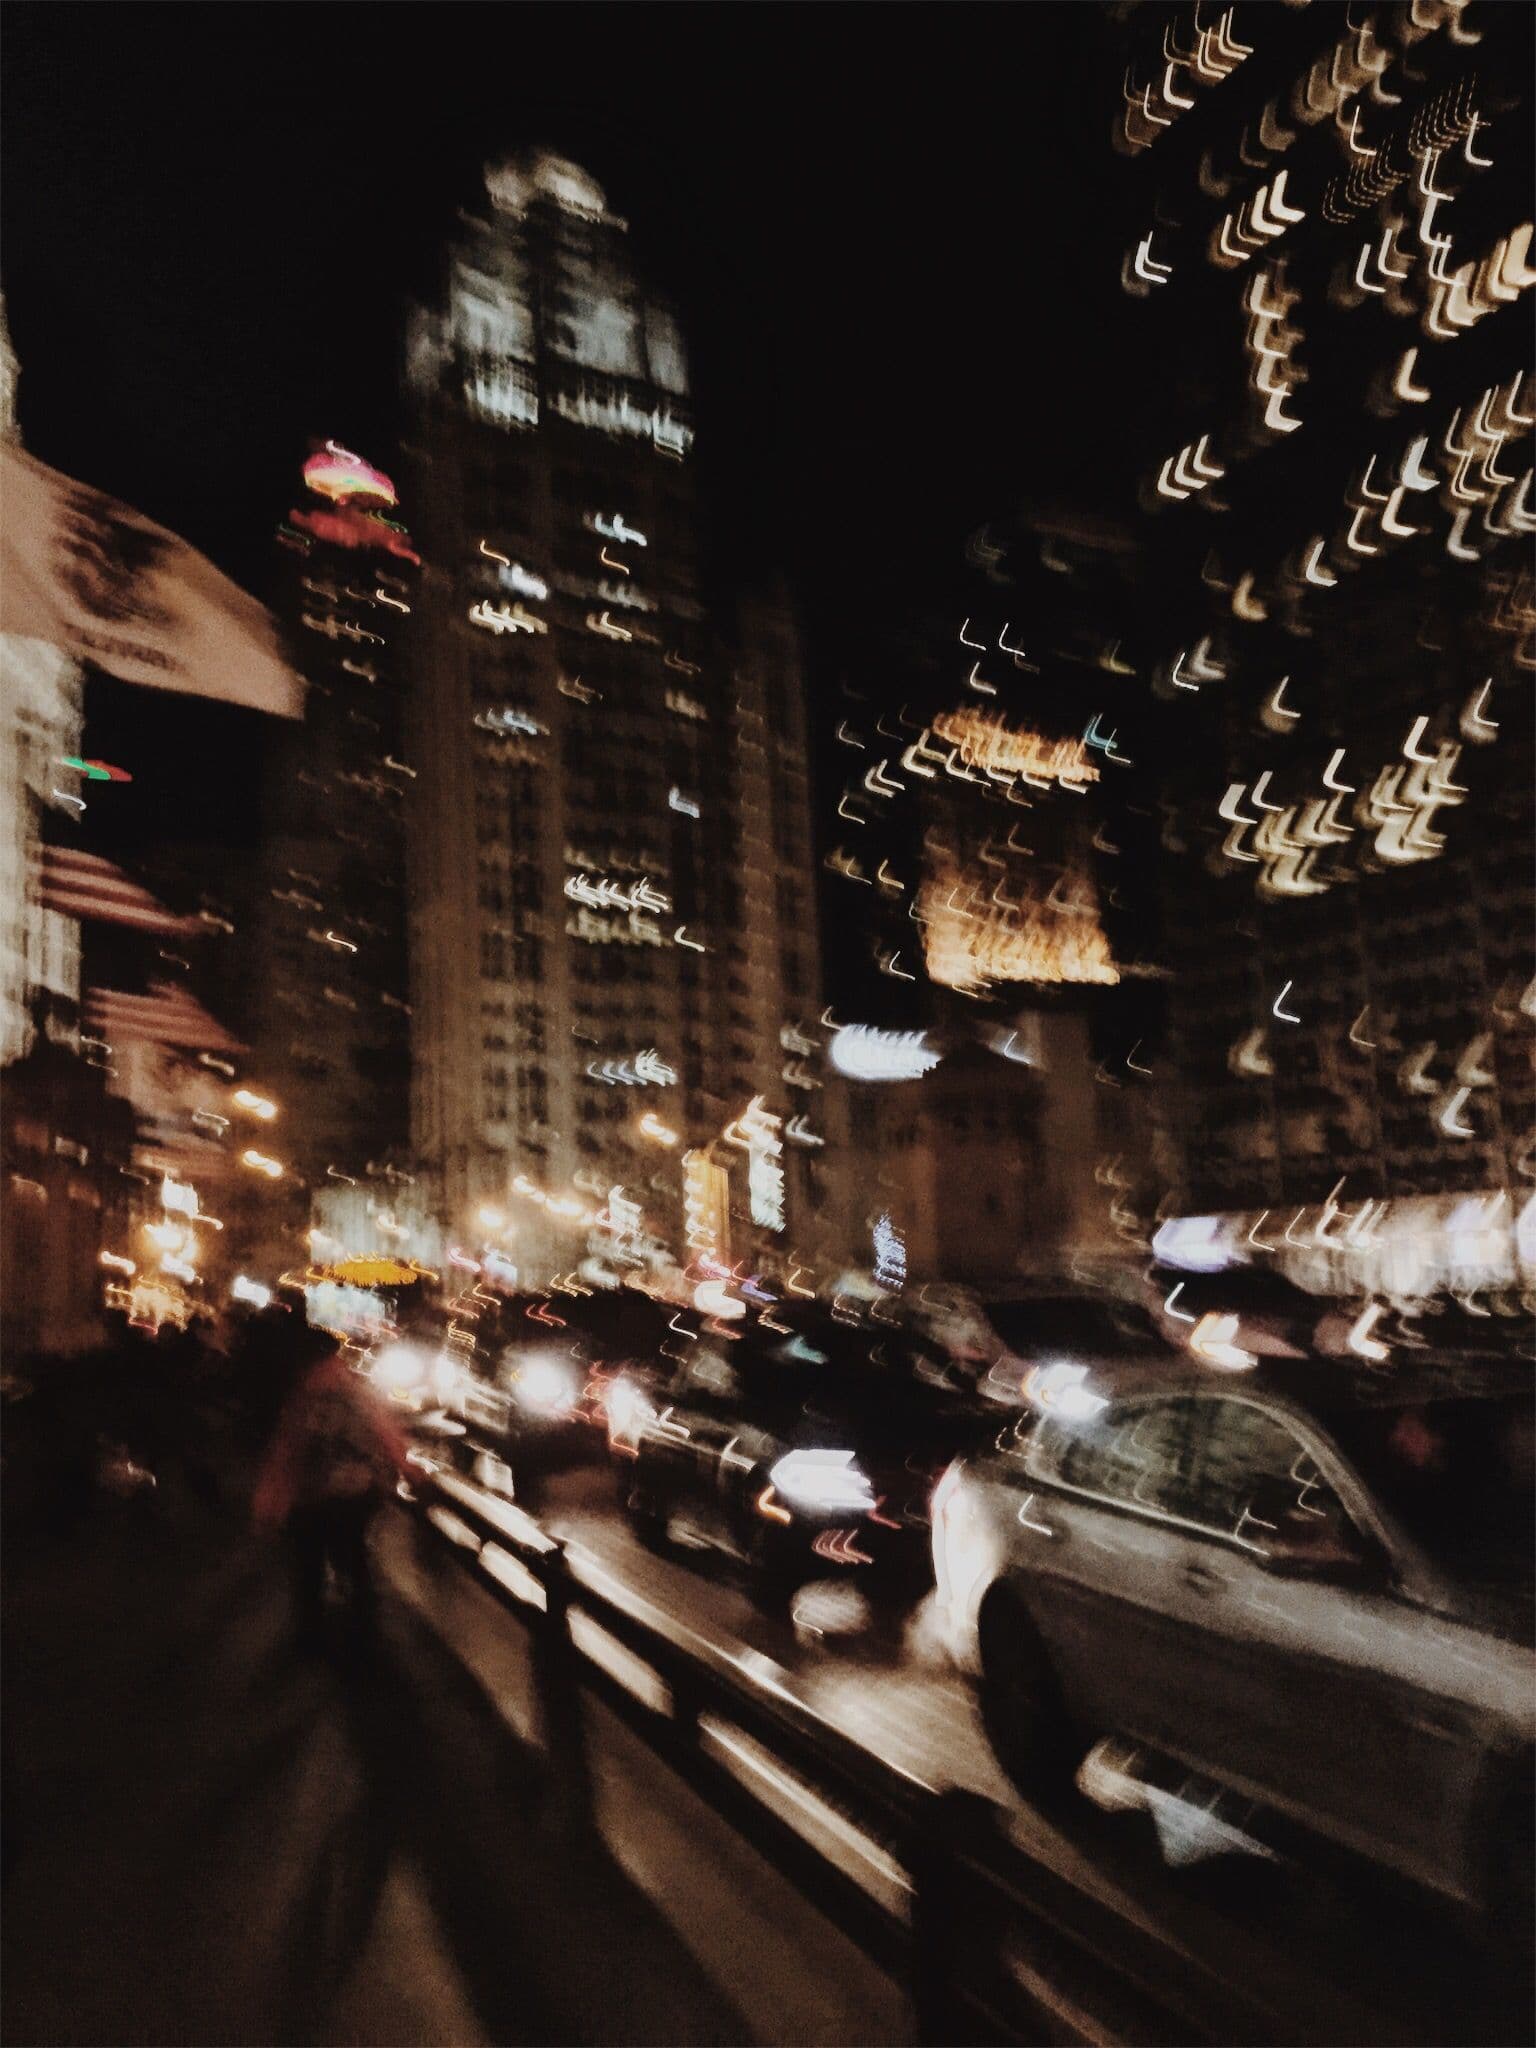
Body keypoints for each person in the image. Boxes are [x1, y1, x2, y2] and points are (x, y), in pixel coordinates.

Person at [252, 1327, 411, 1646]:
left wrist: (269, 1503)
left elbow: (288, 1453)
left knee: (308, 1562)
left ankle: (310, 1629)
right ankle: (365, 1622)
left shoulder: (304, 1395)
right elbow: (385, 1432)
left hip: (313, 1495)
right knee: (352, 1554)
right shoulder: (355, 1388)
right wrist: (409, 1471)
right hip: (357, 1491)